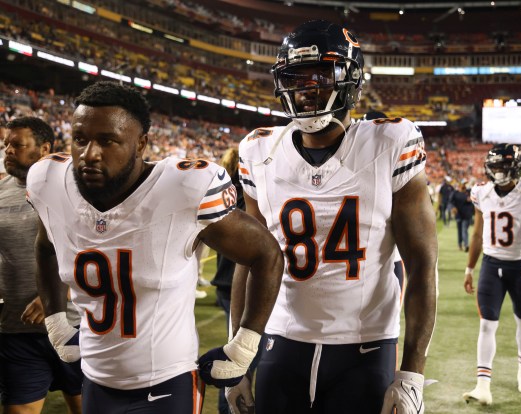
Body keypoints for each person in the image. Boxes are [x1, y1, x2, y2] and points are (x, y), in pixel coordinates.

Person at [27, 81, 284, 413]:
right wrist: (57, 323)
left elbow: (266, 254)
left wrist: (245, 346)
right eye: (80, 139)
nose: (90, 154)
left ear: (141, 144)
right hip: (95, 379)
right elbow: (45, 246)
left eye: (107, 141)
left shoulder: (182, 189)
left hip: (167, 382)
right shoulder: (49, 183)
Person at [226, 20, 438, 414]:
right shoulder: (258, 150)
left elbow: (422, 265)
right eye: (296, 77)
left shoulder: (390, 141)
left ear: (350, 79)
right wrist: (239, 358)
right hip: (281, 339)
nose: (307, 88)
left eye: (321, 75)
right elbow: (248, 263)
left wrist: (412, 374)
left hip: (365, 343)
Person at [0, 117, 83, 414]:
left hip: (76, 324)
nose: (8, 150)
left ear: (44, 148)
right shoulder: (0, 190)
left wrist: (61, 293)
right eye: (6, 144)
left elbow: (101, 252)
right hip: (17, 329)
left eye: (17, 145)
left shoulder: (76, 189)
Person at [463, 144, 521, 405]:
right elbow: (477, 234)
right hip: (490, 266)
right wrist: (469, 268)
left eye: (504, 167)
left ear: (516, 168)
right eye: (496, 167)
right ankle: (482, 386)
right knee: (487, 324)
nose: (499, 172)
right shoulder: (481, 193)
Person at [211, 146, 246, 414]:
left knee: (238, 357)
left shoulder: (221, 192)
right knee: (240, 360)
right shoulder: (245, 192)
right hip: (241, 282)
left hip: (225, 279)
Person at [450, 180, 475, 252]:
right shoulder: (455, 193)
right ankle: (460, 244)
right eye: (463, 184)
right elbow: (450, 202)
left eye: (465, 184)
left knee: (464, 230)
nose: (463, 185)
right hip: (458, 214)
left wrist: (471, 199)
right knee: (459, 230)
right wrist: (453, 207)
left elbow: (474, 199)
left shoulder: (469, 192)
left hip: (467, 214)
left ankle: (466, 245)